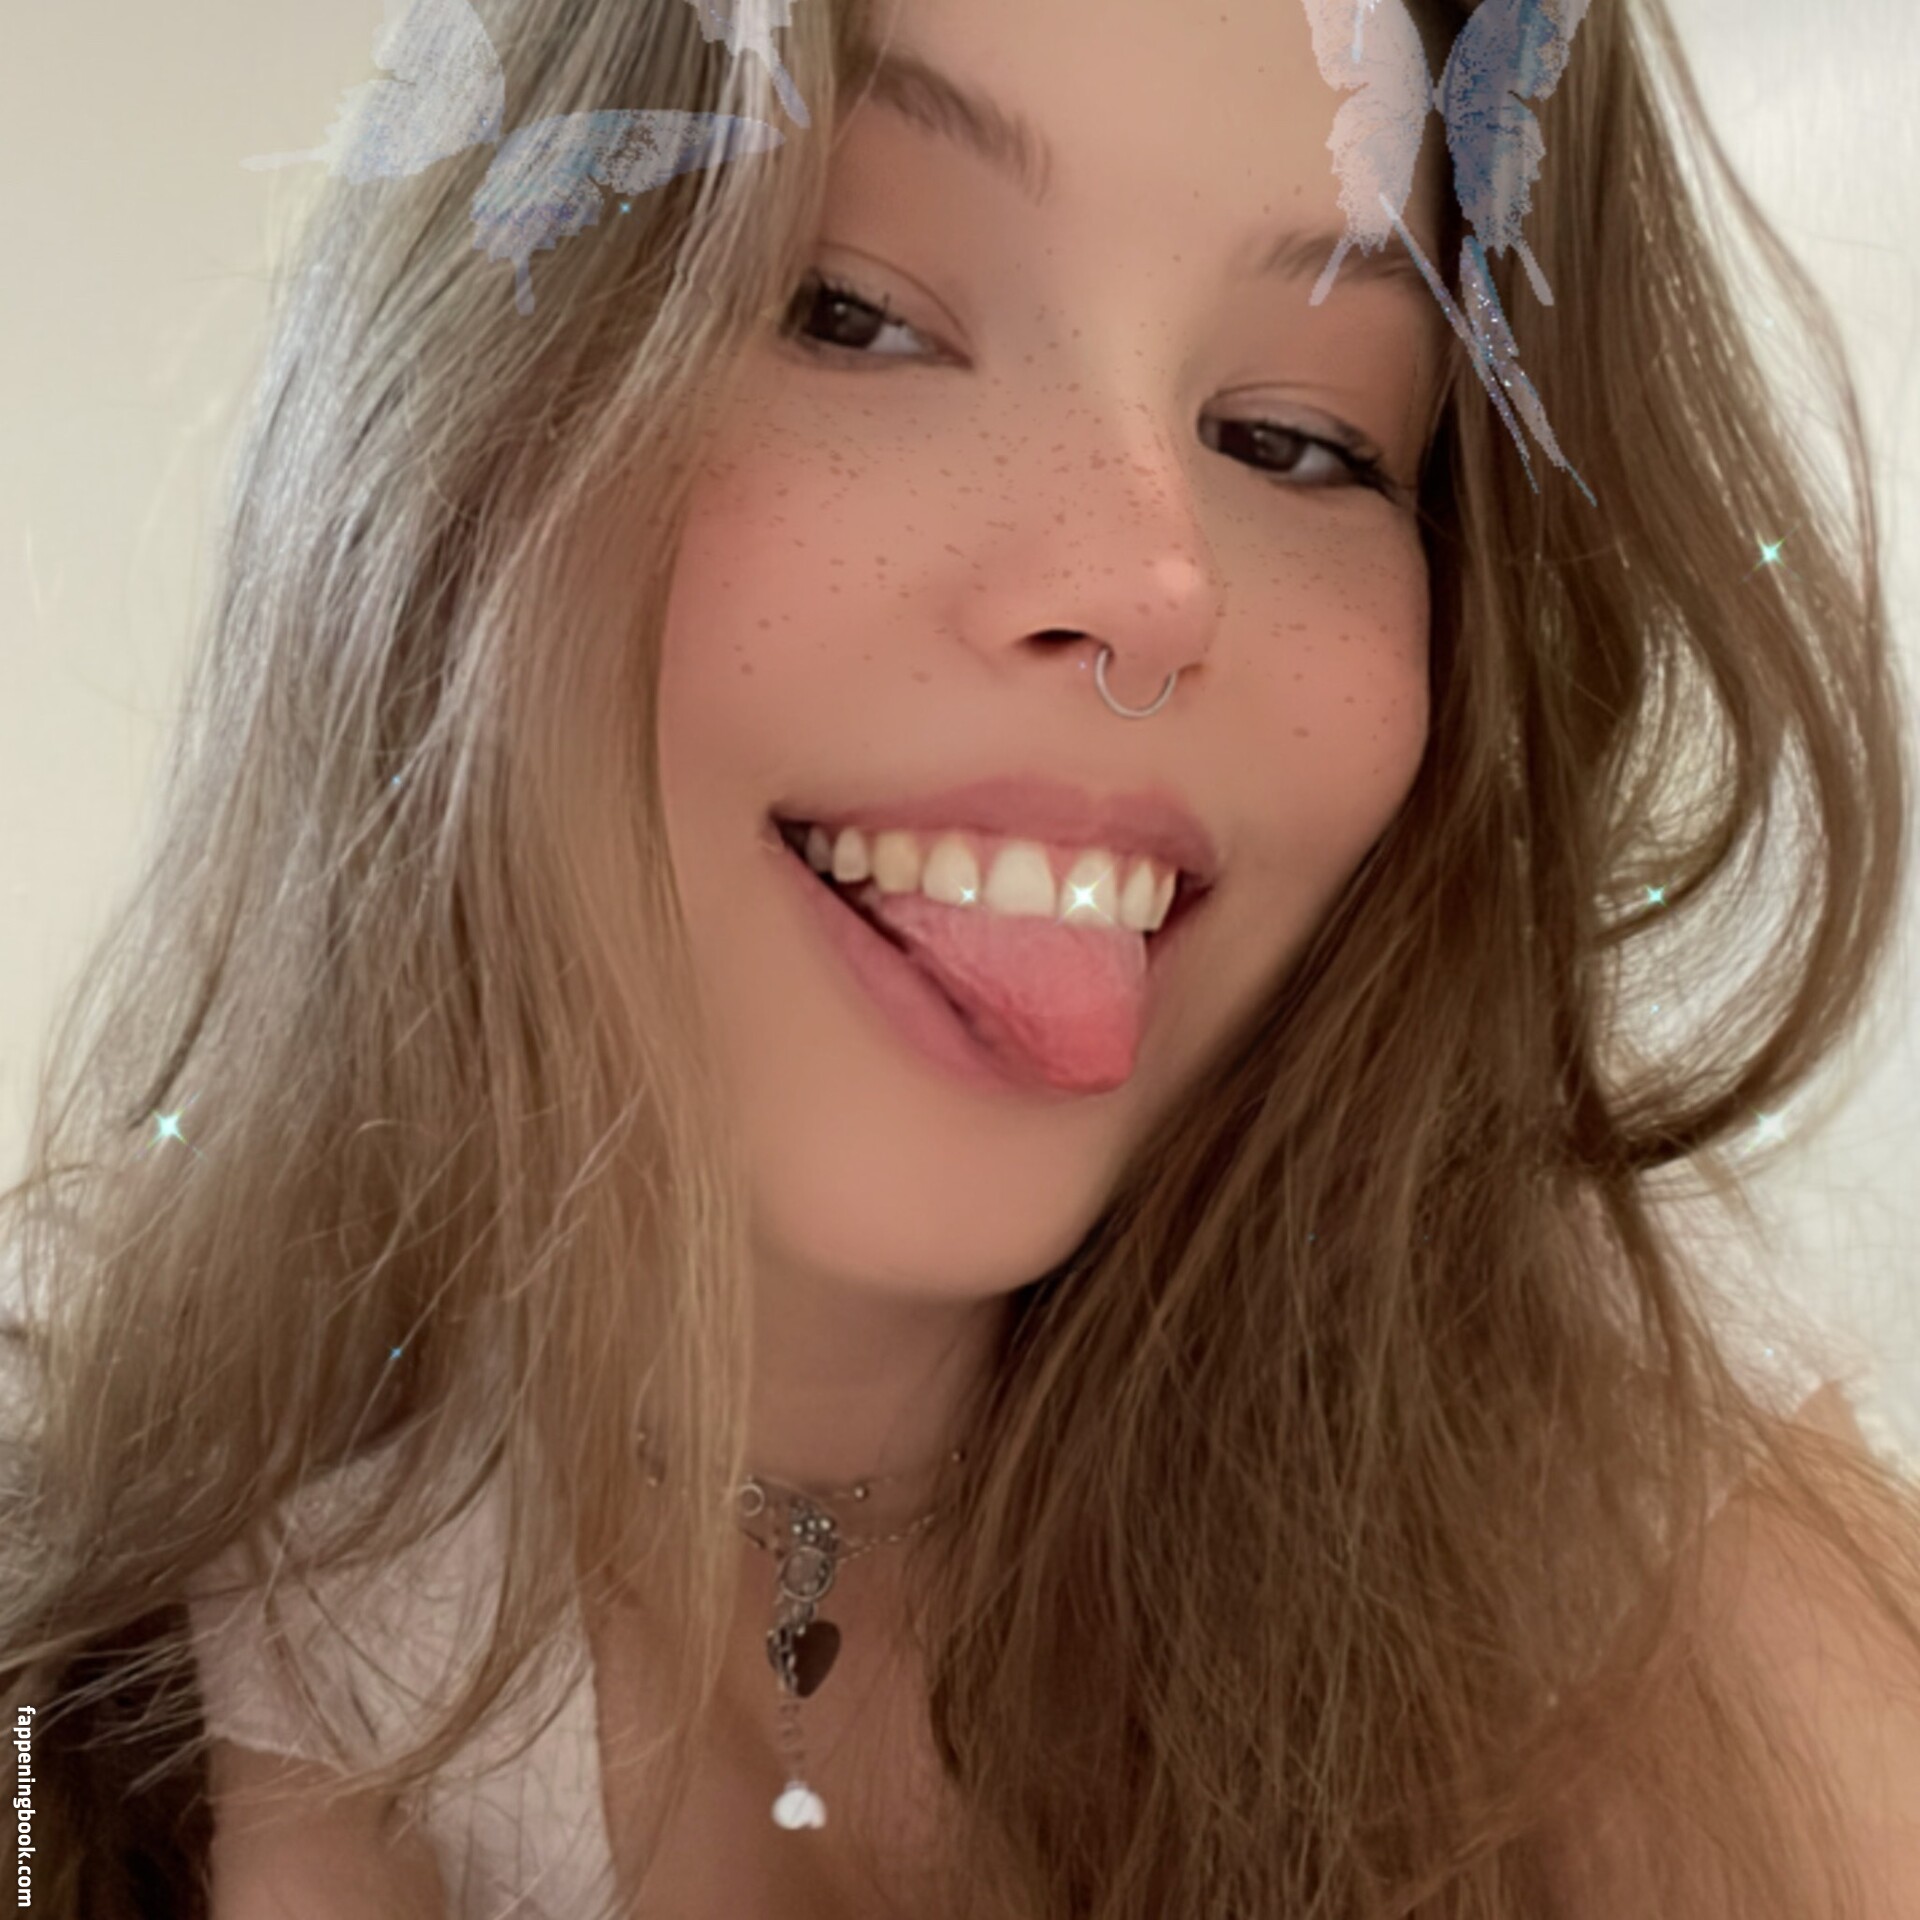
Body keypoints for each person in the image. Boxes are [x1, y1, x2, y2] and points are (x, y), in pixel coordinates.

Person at [1, 0, 1916, 1914]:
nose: (1152, 584)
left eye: (1299, 441)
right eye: (854, 315)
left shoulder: (1712, 1652)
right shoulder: (88, 1700)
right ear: (459, 423)